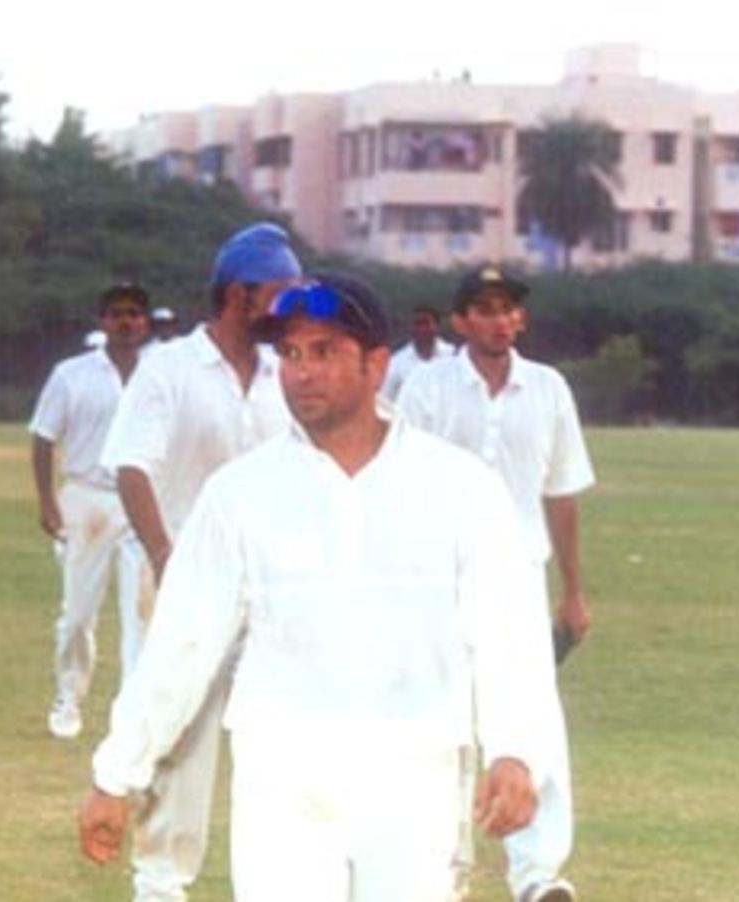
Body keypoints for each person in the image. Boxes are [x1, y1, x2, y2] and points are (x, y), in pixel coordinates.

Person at [79, 273, 554, 901]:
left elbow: (508, 633)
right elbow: (182, 643)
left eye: (325, 351)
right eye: (291, 355)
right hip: (283, 777)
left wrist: (515, 750)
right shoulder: (241, 494)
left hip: (414, 770)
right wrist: (118, 774)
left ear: (376, 365)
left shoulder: (460, 487)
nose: (302, 372)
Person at [96, 222, 301, 902]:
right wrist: (163, 555)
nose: (293, 304)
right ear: (241, 295)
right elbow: (131, 466)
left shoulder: (289, 371)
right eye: (282, 291)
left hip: (275, 588)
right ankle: (160, 880)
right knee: (178, 727)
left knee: (280, 735)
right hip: (191, 580)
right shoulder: (170, 369)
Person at [398, 265, 594, 902]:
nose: (498, 319)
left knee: (532, 717)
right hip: (440, 576)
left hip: (520, 573)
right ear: (460, 321)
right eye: (483, 309)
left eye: (507, 308)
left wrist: (572, 591)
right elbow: (403, 487)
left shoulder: (548, 388)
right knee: (440, 717)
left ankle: (537, 875)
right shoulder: (425, 387)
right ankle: (438, 870)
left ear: (522, 319)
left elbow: (561, 491)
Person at [29, 282, 151, 739]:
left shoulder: (159, 373)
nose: (126, 322)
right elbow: (43, 437)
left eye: (134, 314)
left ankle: (134, 712)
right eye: (117, 314)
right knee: (79, 612)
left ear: (144, 322)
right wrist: (46, 500)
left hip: (141, 498)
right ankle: (69, 697)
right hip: (86, 497)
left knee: (142, 612)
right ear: (102, 321)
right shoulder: (71, 374)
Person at [381, 304, 455, 401]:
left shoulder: (453, 355)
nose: (421, 329)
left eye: (426, 323)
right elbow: (385, 398)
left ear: (437, 326)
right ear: (409, 327)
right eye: (417, 324)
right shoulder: (396, 363)